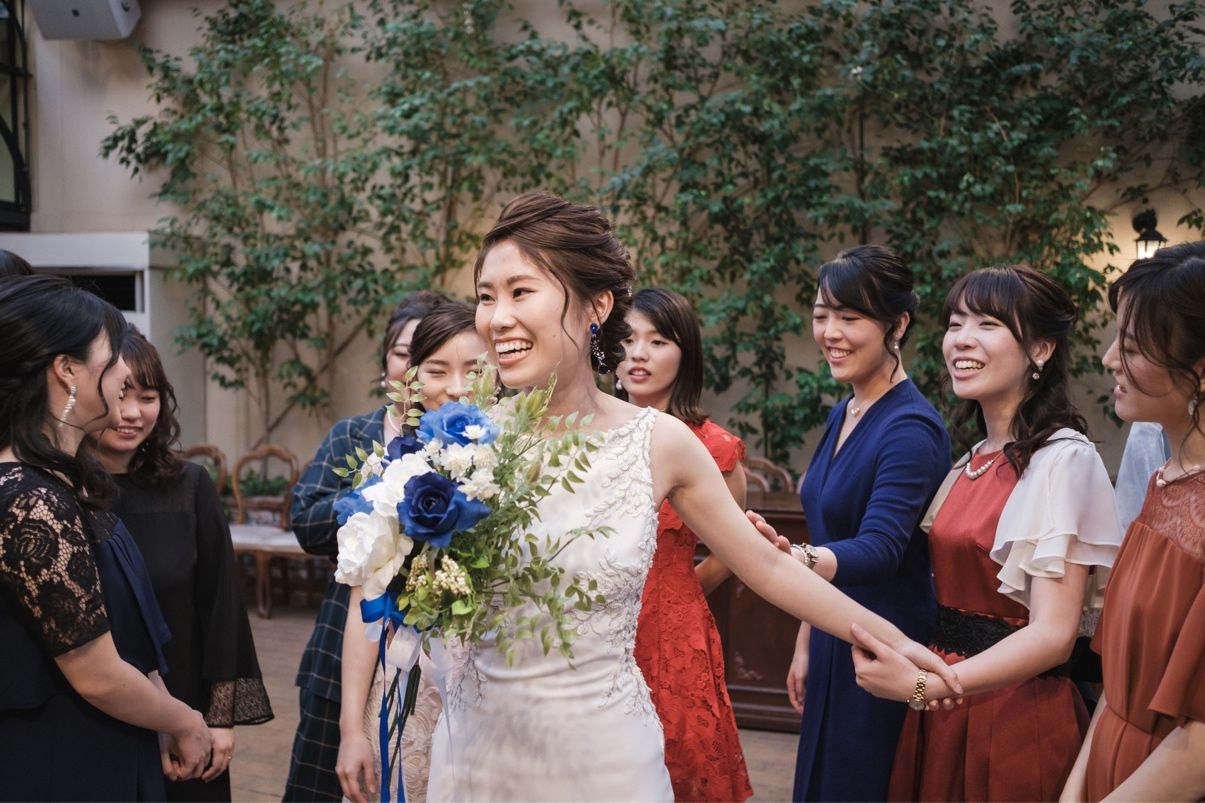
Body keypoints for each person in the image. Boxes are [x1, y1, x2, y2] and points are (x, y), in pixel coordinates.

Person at [425, 191, 960, 802]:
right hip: (476, 754)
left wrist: (894, 641)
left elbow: (765, 567)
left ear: (597, 306)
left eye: (520, 292)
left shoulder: (659, 443)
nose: (496, 318)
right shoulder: (462, 442)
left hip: (601, 760)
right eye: (486, 297)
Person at [849, 264, 1123, 801]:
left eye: (988, 324)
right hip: (945, 701)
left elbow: (1054, 635)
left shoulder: (1062, 460)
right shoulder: (972, 459)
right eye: (955, 323)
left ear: (1041, 349)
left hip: (1014, 713)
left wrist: (929, 685)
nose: (962, 339)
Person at [0, 275, 212, 800]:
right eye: (113, 355)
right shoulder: (30, 501)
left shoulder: (66, 478)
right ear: (67, 370)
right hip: (61, 756)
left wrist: (158, 706)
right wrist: (185, 720)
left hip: (109, 735)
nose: (124, 372)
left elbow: (125, 626)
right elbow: (94, 674)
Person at [774, 245, 950, 802]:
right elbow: (830, 534)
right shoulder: (844, 410)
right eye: (822, 315)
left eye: (850, 317)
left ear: (897, 325)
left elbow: (880, 548)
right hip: (833, 630)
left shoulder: (911, 427)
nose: (831, 332)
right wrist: (806, 637)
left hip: (883, 646)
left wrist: (793, 560)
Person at [92, 326, 274, 802]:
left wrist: (219, 720)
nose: (133, 413)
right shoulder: (61, 493)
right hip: (91, 718)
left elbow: (222, 608)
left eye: (148, 397)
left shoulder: (189, 485)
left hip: (186, 713)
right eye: (120, 395)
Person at [286, 290, 448, 801]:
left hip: (434, 655)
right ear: (385, 366)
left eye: (427, 356)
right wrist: (377, 499)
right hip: (348, 627)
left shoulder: (459, 443)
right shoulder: (352, 435)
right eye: (402, 353)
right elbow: (305, 521)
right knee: (320, 782)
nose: (412, 367)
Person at [1061, 244, 1205, 801]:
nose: (1108, 359)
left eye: (1133, 346)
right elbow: (1118, 687)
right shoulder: (1164, 481)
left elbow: (1198, 748)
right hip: (1110, 765)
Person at [337, 301, 487, 803]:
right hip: (410, 683)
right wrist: (350, 729)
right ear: (413, 380)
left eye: (474, 370)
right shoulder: (390, 472)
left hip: (497, 689)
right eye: (437, 371)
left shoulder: (525, 467)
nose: (457, 388)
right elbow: (363, 605)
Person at [617, 287, 752, 802]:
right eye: (627, 339)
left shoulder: (715, 448)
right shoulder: (587, 437)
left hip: (672, 633)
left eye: (658, 341)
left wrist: (677, 590)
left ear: (685, 353)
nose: (639, 354)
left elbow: (735, 549)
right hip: (593, 627)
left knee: (680, 765)